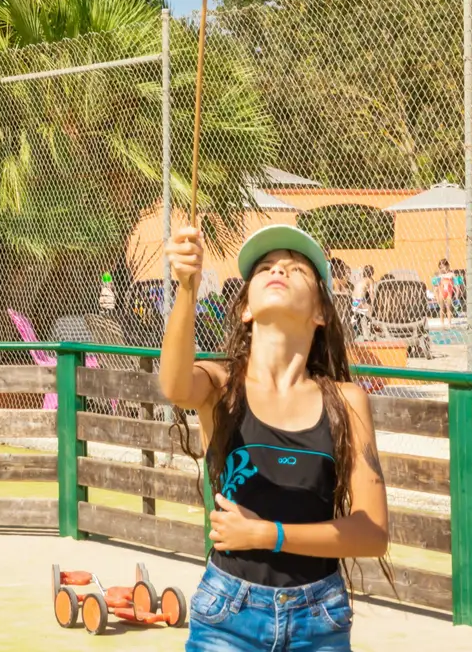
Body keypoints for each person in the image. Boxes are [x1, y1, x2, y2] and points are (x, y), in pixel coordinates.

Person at [161, 223, 391, 651]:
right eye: (265, 267)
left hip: (320, 617)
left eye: (295, 268)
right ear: (246, 308)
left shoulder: (347, 401)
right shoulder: (221, 385)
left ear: (320, 311)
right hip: (227, 615)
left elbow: (373, 533)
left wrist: (269, 534)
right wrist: (187, 290)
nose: (278, 270)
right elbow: (174, 385)